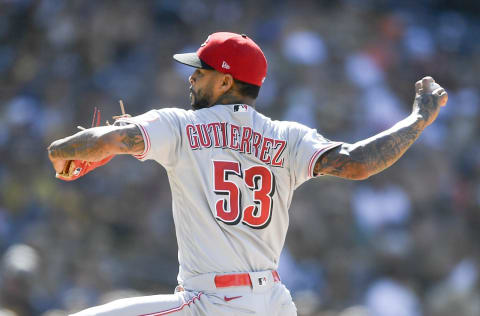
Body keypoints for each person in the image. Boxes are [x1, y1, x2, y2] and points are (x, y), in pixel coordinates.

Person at [47, 32, 448, 316]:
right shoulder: (287, 136)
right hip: (272, 302)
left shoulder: (181, 125)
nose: (191, 77)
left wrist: (65, 150)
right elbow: (358, 160)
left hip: (210, 303)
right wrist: (418, 118)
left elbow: (95, 143)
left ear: (224, 81)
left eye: (200, 71)